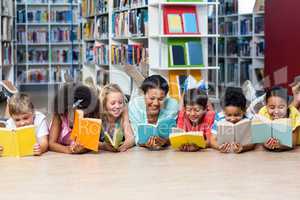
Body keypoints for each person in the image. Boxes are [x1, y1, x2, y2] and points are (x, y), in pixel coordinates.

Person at [129, 75, 179, 150]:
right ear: (143, 94)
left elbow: (173, 134)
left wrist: (166, 141)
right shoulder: (135, 105)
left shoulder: (172, 105)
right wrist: (144, 143)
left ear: (166, 97)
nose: (156, 103)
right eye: (152, 98)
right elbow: (136, 135)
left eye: (161, 99)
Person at [49, 83, 100, 154]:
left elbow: (91, 144)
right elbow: (51, 144)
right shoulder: (59, 116)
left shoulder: (88, 119)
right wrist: (68, 150)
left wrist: (83, 149)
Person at [211, 87, 255, 153]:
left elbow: (254, 141)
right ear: (224, 111)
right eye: (228, 115)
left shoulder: (250, 118)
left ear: (244, 111)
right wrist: (219, 147)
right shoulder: (219, 117)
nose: (232, 119)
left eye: (237, 115)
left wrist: (243, 148)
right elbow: (212, 139)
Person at [258, 86, 300, 151]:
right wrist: (266, 143)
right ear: (266, 105)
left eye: (281, 107)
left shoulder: (293, 113)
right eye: (272, 107)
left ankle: (297, 98)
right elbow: (261, 135)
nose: (276, 111)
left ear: (288, 105)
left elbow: (293, 142)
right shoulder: (263, 112)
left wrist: (280, 145)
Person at [98, 84, 135, 152]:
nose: (117, 106)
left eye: (120, 103)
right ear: (104, 104)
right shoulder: (99, 116)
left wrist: (123, 147)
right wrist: (104, 146)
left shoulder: (124, 112)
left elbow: (131, 139)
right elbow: (91, 142)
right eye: (113, 103)